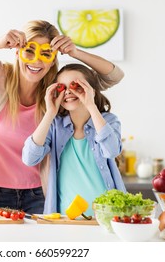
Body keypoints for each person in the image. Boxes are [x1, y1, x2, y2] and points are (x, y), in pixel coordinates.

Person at [0, 20, 124, 214]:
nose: (36, 61)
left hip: (40, 193)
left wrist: (75, 52)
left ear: (53, 60)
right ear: (17, 52)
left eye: (45, 54)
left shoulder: (57, 91)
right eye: (29, 51)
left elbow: (113, 76)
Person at [22, 63, 126, 216]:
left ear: (91, 90)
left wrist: (91, 105)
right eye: (62, 88)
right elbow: (29, 158)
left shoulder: (108, 121)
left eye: (76, 85)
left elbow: (111, 150)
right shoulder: (55, 125)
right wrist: (50, 112)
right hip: (66, 217)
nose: (69, 92)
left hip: (107, 215)